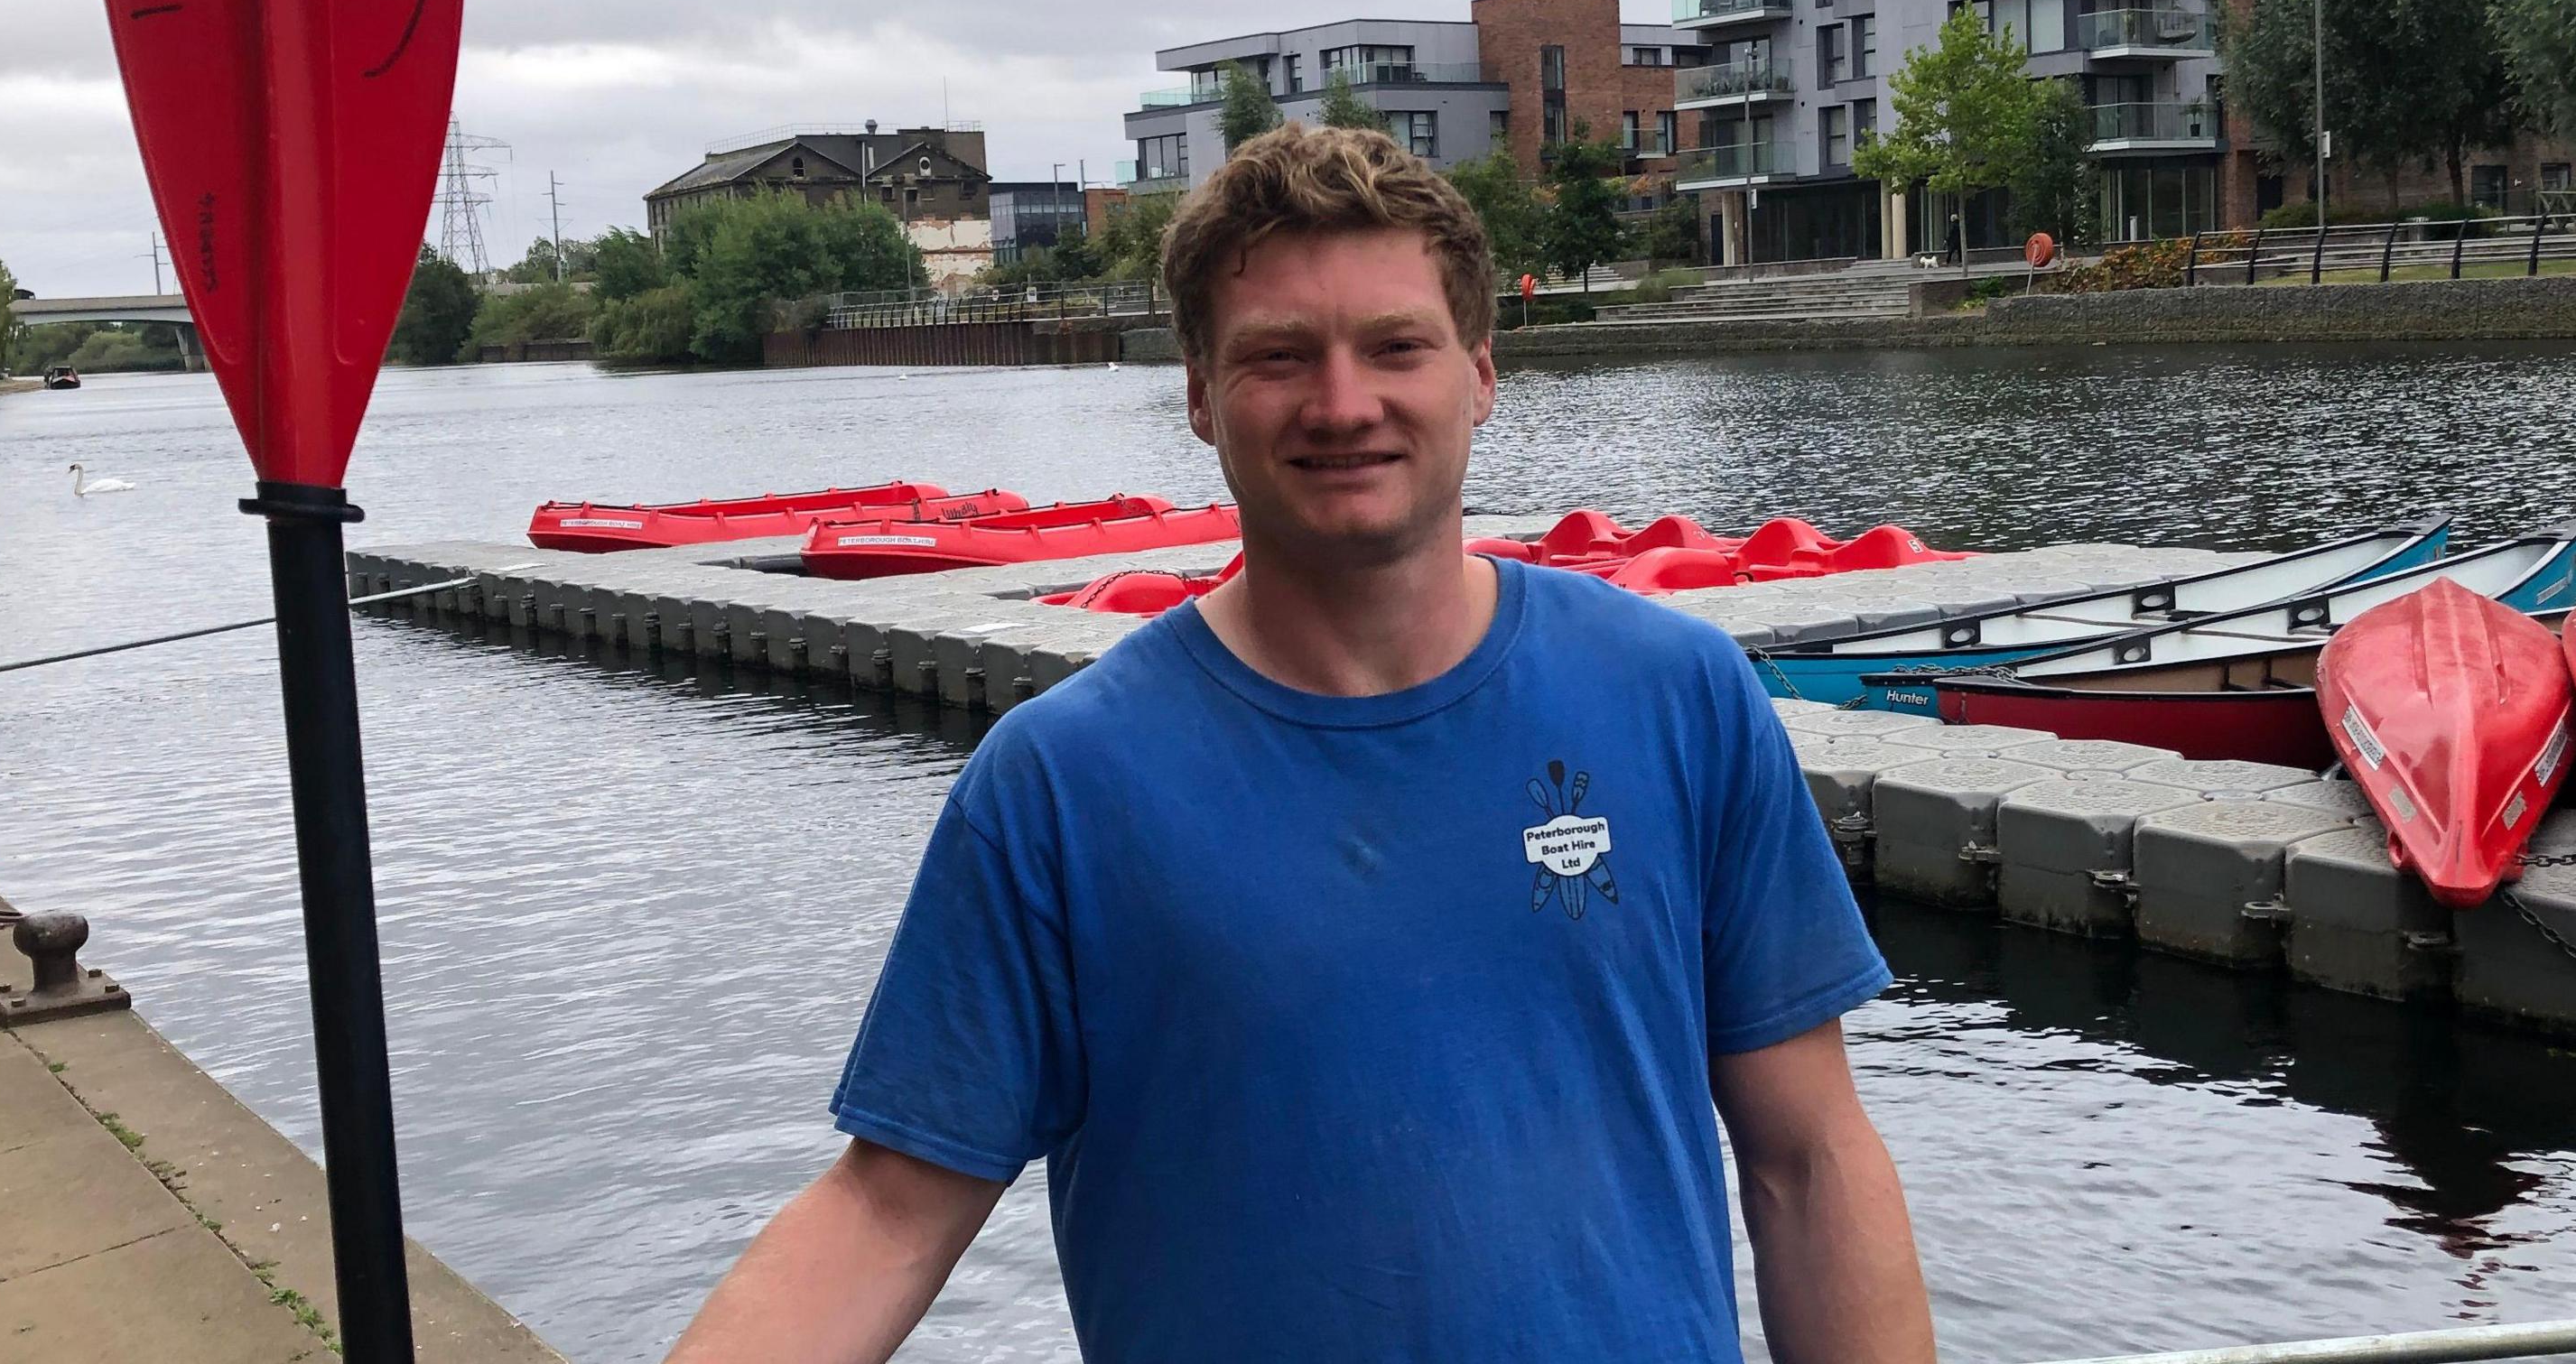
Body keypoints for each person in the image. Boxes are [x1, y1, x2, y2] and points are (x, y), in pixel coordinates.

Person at [670, 124, 1932, 1363]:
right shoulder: (1062, 788)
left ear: (1481, 373)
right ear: (1202, 395)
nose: (1345, 404)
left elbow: (1808, 1159)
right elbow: (887, 1212)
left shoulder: (1679, 697)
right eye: (1282, 355)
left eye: (1397, 347)